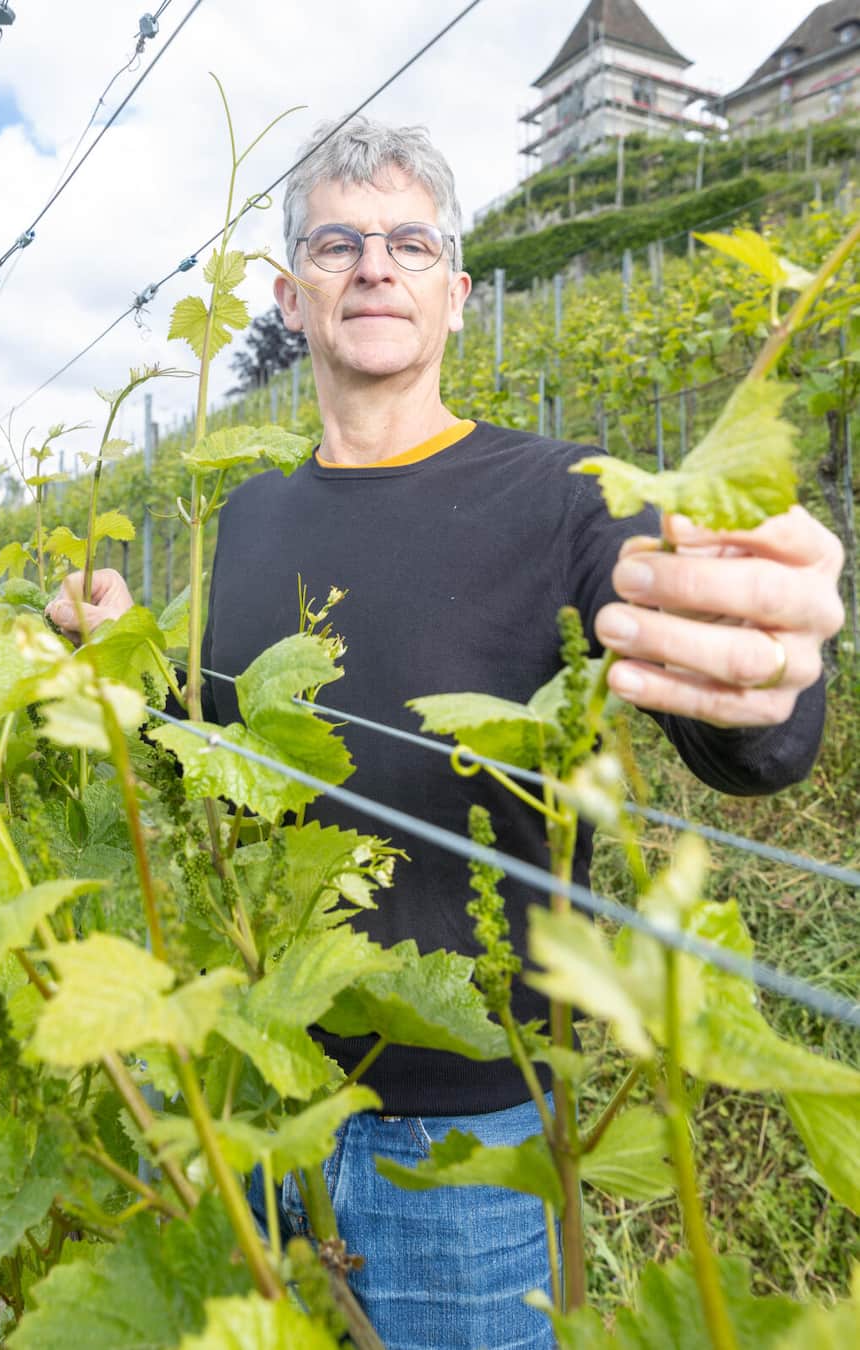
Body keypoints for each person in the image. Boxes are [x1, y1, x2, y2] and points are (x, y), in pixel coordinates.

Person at [47, 118, 843, 1349]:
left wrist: (764, 662)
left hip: (473, 1144)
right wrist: (127, 673)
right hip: (248, 1096)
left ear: (456, 295)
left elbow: (745, 738)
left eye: (410, 242)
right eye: (338, 242)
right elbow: (215, 760)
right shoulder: (240, 518)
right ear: (290, 297)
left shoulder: (569, 493)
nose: (375, 265)